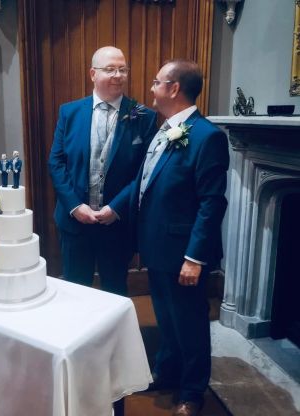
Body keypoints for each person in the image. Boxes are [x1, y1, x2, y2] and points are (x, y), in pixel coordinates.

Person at [110, 59, 229, 416]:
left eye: (156, 82)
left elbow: (212, 203)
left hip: (183, 253)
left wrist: (195, 257)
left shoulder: (207, 137)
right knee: (166, 316)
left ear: (174, 88)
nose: (151, 89)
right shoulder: (163, 130)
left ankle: (192, 392)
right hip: (156, 247)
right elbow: (146, 183)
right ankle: (167, 370)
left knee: (190, 324)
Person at [48, 46, 157, 296]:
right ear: (92, 74)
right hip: (75, 223)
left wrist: (116, 207)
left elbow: (145, 172)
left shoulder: (143, 116)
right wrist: (75, 206)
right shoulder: (69, 112)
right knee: (76, 291)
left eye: (123, 69)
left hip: (117, 225)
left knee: (115, 291)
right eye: (110, 69)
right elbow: (56, 163)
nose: (118, 75)